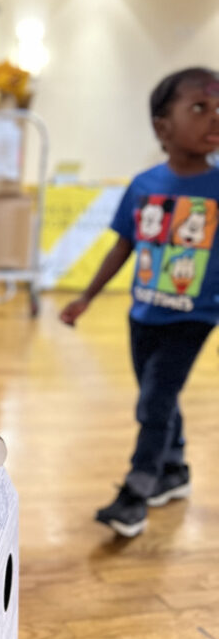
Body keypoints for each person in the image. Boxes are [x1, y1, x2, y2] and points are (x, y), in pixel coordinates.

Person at [60, 67, 219, 538]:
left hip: (195, 317)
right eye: (199, 107)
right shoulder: (144, 185)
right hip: (142, 314)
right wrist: (86, 298)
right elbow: (122, 246)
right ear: (162, 127)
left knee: (154, 401)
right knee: (158, 395)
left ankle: (137, 491)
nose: (214, 117)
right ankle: (175, 468)